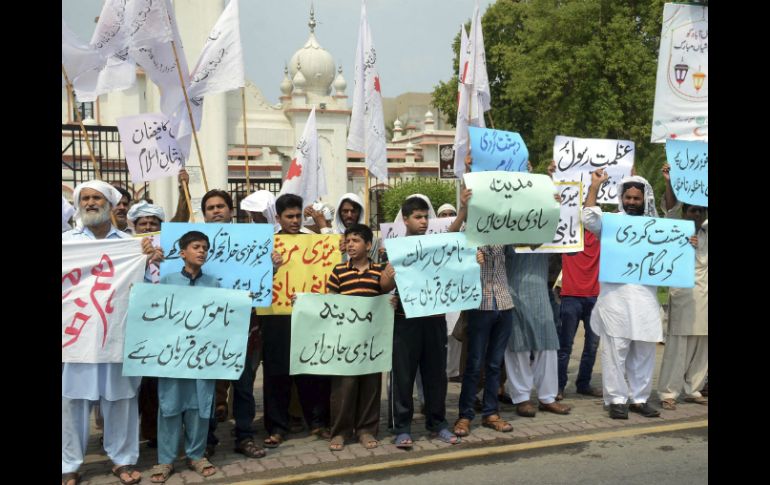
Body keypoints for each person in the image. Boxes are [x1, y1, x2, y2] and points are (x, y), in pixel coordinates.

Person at [62, 180, 160, 485]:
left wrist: (150, 260)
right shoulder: (67, 242)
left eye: (97, 198)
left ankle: (123, 459)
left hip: (117, 333)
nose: (90, 203)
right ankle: (69, 464)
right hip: (76, 336)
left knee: (121, 399)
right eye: (85, 198)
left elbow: (150, 287)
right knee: (72, 401)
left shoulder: (132, 243)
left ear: (109, 204)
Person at [583, 169, 671, 419]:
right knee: (615, 352)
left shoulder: (655, 227)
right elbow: (589, 218)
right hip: (615, 300)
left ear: (645, 200)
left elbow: (675, 243)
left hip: (645, 300)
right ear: (622, 198)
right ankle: (616, 400)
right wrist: (594, 187)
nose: (632, 202)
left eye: (636, 198)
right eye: (628, 198)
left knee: (644, 351)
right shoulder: (612, 223)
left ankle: (639, 398)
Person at [381, 196, 458, 448]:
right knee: (403, 377)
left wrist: (465, 210)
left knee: (436, 376)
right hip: (405, 321)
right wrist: (390, 276)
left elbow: (455, 240)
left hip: (435, 320)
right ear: (405, 219)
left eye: (426, 217)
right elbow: (384, 285)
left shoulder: (437, 244)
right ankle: (402, 428)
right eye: (417, 217)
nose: (423, 222)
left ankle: (438, 423)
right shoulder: (396, 248)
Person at [199, 189, 269, 460]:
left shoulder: (247, 240)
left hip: (244, 325)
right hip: (208, 328)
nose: (216, 211)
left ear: (230, 211)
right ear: (204, 214)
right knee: (208, 388)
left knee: (243, 386)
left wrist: (270, 265)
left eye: (220, 206)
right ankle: (206, 440)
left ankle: (245, 436)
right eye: (210, 208)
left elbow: (260, 279)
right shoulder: (195, 242)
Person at [149, 231, 220, 482]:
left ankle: (196, 455)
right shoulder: (166, 280)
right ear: (182, 253)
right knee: (169, 405)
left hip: (202, 357)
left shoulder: (213, 283)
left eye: (205, 248)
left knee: (200, 405)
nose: (201, 251)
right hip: (173, 355)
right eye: (196, 247)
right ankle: (166, 461)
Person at [261, 194, 331, 448]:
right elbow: (255, 279)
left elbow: (333, 258)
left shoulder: (314, 242)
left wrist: (323, 223)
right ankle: (277, 427)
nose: (294, 220)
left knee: (312, 371)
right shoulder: (267, 244)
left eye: (297, 216)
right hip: (276, 317)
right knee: (276, 373)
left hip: (309, 316)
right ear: (277, 218)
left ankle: (318, 422)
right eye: (288, 216)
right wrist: (270, 266)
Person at [448, 189, 514, 437]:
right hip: (479, 305)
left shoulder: (504, 232)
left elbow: (534, 238)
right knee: (474, 365)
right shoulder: (466, 235)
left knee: (495, 364)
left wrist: (547, 206)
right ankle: (465, 416)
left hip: (504, 303)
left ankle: (491, 413)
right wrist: (467, 258)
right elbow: (446, 242)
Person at [326, 224, 387, 451]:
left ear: (369, 245)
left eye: (356, 240)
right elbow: (329, 302)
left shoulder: (379, 271)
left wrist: (389, 302)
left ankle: (366, 430)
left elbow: (384, 298)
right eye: (348, 241)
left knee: (371, 385)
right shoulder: (339, 271)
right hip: (345, 341)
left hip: (371, 341)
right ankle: (340, 432)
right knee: (344, 386)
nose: (350, 245)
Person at [657, 163, 708, 410]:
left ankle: (693, 388)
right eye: (692, 210)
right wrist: (670, 182)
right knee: (677, 347)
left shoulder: (708, 232)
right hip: (683, 296)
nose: (696, 214)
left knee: (702, 344)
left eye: (700, 211)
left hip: (705, 297)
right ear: (685, 212)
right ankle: (668, 392)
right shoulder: (675, 232)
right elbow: (669, 209)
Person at [556, 228, 603, 400]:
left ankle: (583, 384)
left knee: (592, 347)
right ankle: (558, 386)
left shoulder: (602, 232)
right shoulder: (566, 233)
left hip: (595, 297)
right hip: (570, 297)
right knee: (564, 346)